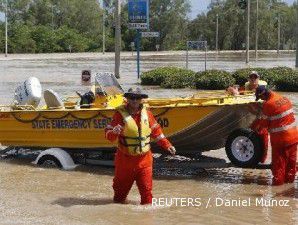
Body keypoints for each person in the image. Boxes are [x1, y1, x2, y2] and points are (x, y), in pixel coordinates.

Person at [105, 87, 176, 204]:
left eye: (138, 98)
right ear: (127, 99)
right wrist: (114, 132)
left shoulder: (147, 114)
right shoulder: (119, 115)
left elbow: (157, 133)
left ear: (141, 100)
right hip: (124, 162)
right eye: (132, 98)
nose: (135, 100)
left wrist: (168, 145)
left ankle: (147, 218)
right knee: (119, 196)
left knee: (147, 193)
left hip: (145, 161)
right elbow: (109, 137)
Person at [253, 86, 297, 185]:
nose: (261, 100)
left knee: (279, 165)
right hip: (294, 137)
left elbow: (264, 125)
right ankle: (290, 187)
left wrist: (256, 119)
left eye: (261, 98)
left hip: (280, 139)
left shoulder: (268, 104)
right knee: (291, 163)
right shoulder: (283, 98)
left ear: (264, 94)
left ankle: (277, 191)